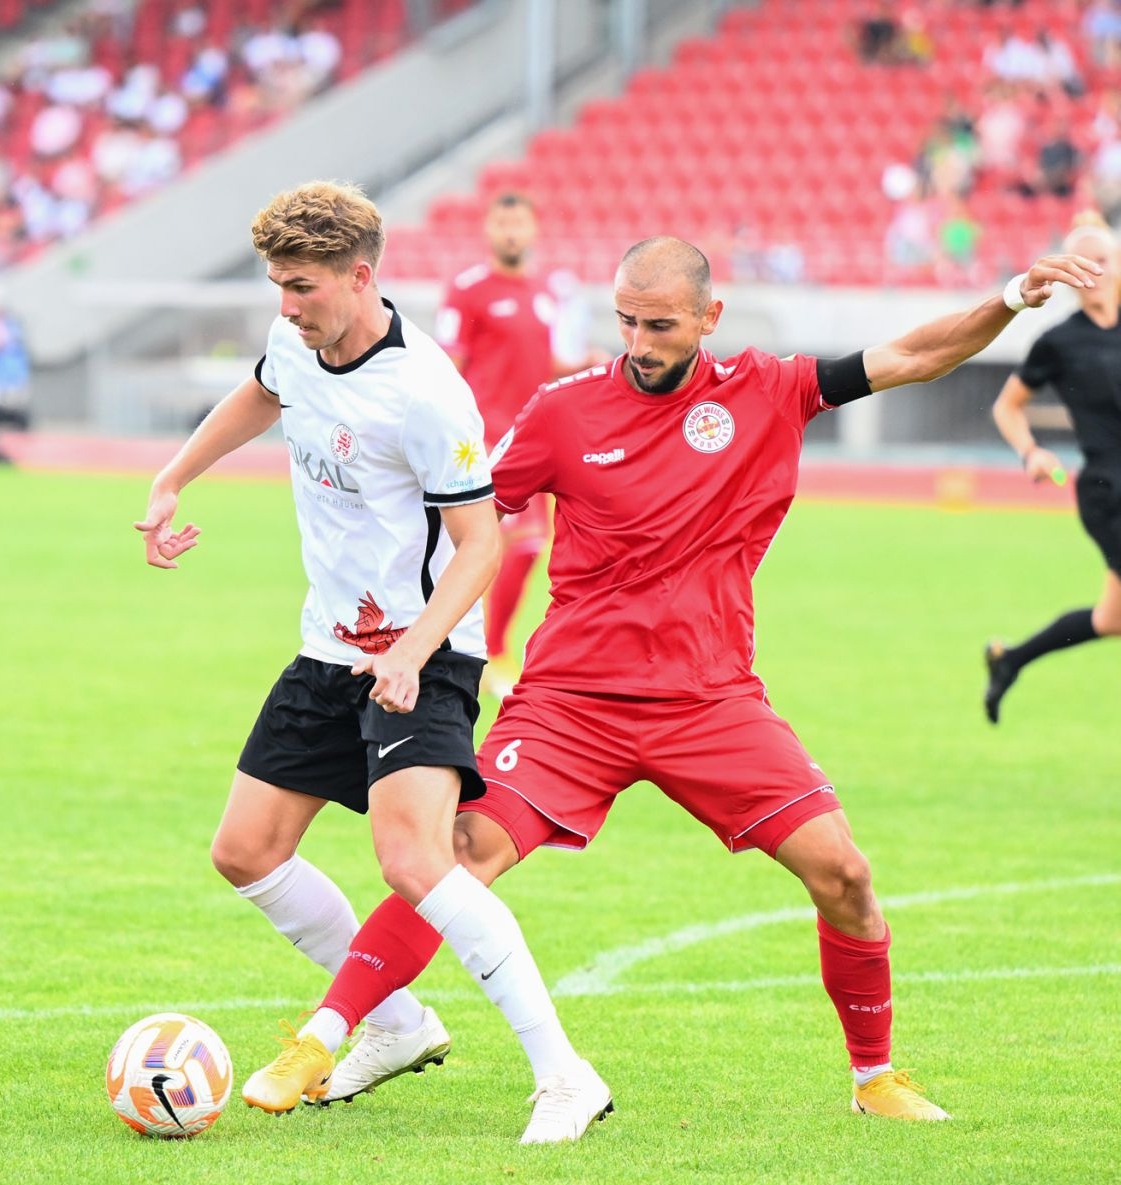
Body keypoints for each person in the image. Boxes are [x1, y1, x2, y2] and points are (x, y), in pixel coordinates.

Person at [282, 235, 1099, 1125]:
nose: (638, 343)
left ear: (711, 317)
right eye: (626, 322)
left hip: (711, 702)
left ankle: (876, 1080)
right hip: (571, 705)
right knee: (457, 858)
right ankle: (328, 1038)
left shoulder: (770, 390)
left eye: (660, 325)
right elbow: (453, 519)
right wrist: (388, 613)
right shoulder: (562, 413)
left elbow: (912, 355)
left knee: (846, 875)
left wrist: (1009, 298)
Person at [135, 181, 611, 1144]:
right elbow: (262, 392)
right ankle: (398, 1025)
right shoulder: (295, 341)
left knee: (415, 861)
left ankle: (566, 1077)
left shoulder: (427, 392)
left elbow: (481, 545)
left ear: (360, 277)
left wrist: (413, 650)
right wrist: (174, 476)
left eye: (302, 286)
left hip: (423, 653)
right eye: (277, 284)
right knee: (245, 851)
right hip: (329, 648)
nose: (285, 305)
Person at [436, 192, 600, 698]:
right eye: (502, 223)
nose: (510, 232)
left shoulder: (548, 293)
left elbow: (549, 364)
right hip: (486, 434)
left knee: (520, 545)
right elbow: (448, 364)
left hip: (535, 434)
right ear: (489, 229)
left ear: (533, 230)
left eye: (519, 223)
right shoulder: (468, 290)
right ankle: (489, 649)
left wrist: (587, 364)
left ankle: (472, 645)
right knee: (518, 541)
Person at [984, 215, 1121, 722]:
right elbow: (1007, 406)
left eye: (1102, 260)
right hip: (1109, 490)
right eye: (1081, 264)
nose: (1093, 272)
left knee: (1112, 619)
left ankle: (1010, 659)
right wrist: (1031, 452)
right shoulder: (1059, 341)